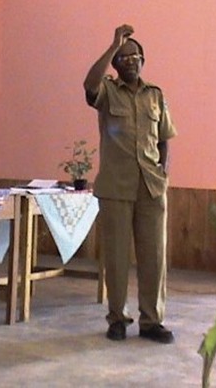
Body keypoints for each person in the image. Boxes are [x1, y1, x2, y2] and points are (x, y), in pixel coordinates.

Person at [83, 24, 178, 344]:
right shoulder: (107, 91)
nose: (130, 61)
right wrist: (113, 45)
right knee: (117, 258)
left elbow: (165, 139)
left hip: (151, 187)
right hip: (116, 187)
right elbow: (89, 83)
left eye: (135, 56)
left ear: (143, 61)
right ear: (116, 64)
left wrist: (163, 173)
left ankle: (152, 321)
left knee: (154, 257)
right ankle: (118, 318)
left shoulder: (156, 96)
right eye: (123, 58)